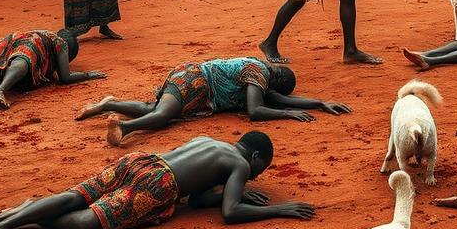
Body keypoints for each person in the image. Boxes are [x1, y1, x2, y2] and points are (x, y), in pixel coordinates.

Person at [0, 132, 315, 229]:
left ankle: (20, 214)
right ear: (253, 156)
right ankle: (25, 221)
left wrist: (226, 192)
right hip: (159, 183)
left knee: (75, 195)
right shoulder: (238, 164)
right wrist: (277, 209)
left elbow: (200, 197)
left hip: (142, 160)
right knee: (89, 223)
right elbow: (231, 215)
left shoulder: (209, 140)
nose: (252, 176)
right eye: (258, 170)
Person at [76, 57, 351, 145]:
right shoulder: (257, 72)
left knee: (155, 110)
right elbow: (256, 110)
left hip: (196, 84)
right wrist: (287, 115)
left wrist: (319, 103)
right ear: (273, 79)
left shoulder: (260, 76)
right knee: (161, 117)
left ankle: (109, 104)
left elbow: (278, 99)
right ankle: (124, 129)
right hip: (195, 81)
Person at [0, 29, 105, 117]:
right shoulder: (61, 43)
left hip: (7, 41)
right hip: (27, 45)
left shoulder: (43, 35)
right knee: (22, 62)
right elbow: (65, 77)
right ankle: (0, 90)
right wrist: (87, 75)